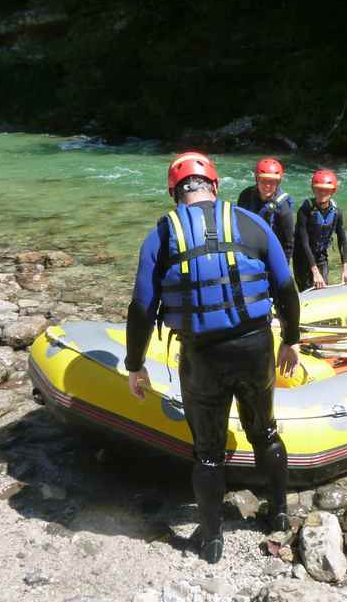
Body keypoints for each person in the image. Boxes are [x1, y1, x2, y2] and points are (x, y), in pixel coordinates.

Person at [125, 151, 301, 564]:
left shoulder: (161, 235)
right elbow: (286, 287)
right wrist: (290, 339)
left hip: (202, 356)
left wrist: (135, 364)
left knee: (207, 451)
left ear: (174, 192)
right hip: (255, 347)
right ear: (215, 187)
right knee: (266, 433)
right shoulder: (251, 221)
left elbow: (141, 307)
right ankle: (277, 515)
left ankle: (212, 540)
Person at [293, 169, 347, 290]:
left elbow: (342, 240)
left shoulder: (336, 212)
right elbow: (304, 243)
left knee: (323, 288)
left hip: (321, 256)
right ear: (313, 189)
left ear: (333, 191)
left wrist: (345, 269)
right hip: (302, 258)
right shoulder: (305, 210)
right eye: (318, 189)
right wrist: (315, 272)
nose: (322, 193)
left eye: (326, 190)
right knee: (306, 291)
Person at [236, 157, 294, 263]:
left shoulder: (283, 207)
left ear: (278, 182)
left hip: (272, 254)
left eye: (272, 182)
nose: (267, 186)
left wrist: (284, 268)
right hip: (249, 251)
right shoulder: (245, 196)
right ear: (257, 179)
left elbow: (288, 244)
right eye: (263, 181)